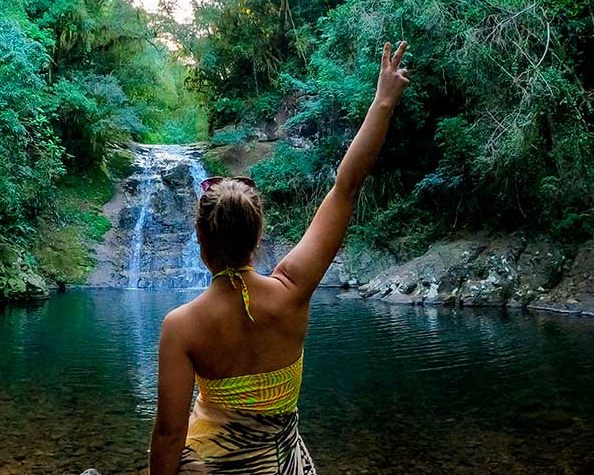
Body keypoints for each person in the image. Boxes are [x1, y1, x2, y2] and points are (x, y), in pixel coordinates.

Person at [149, 41, 412, 474]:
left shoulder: (181, 327)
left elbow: (168, 435)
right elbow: (346, 187)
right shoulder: (292, 291)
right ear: (258, 235)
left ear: (200, 238)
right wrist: (383, 101)